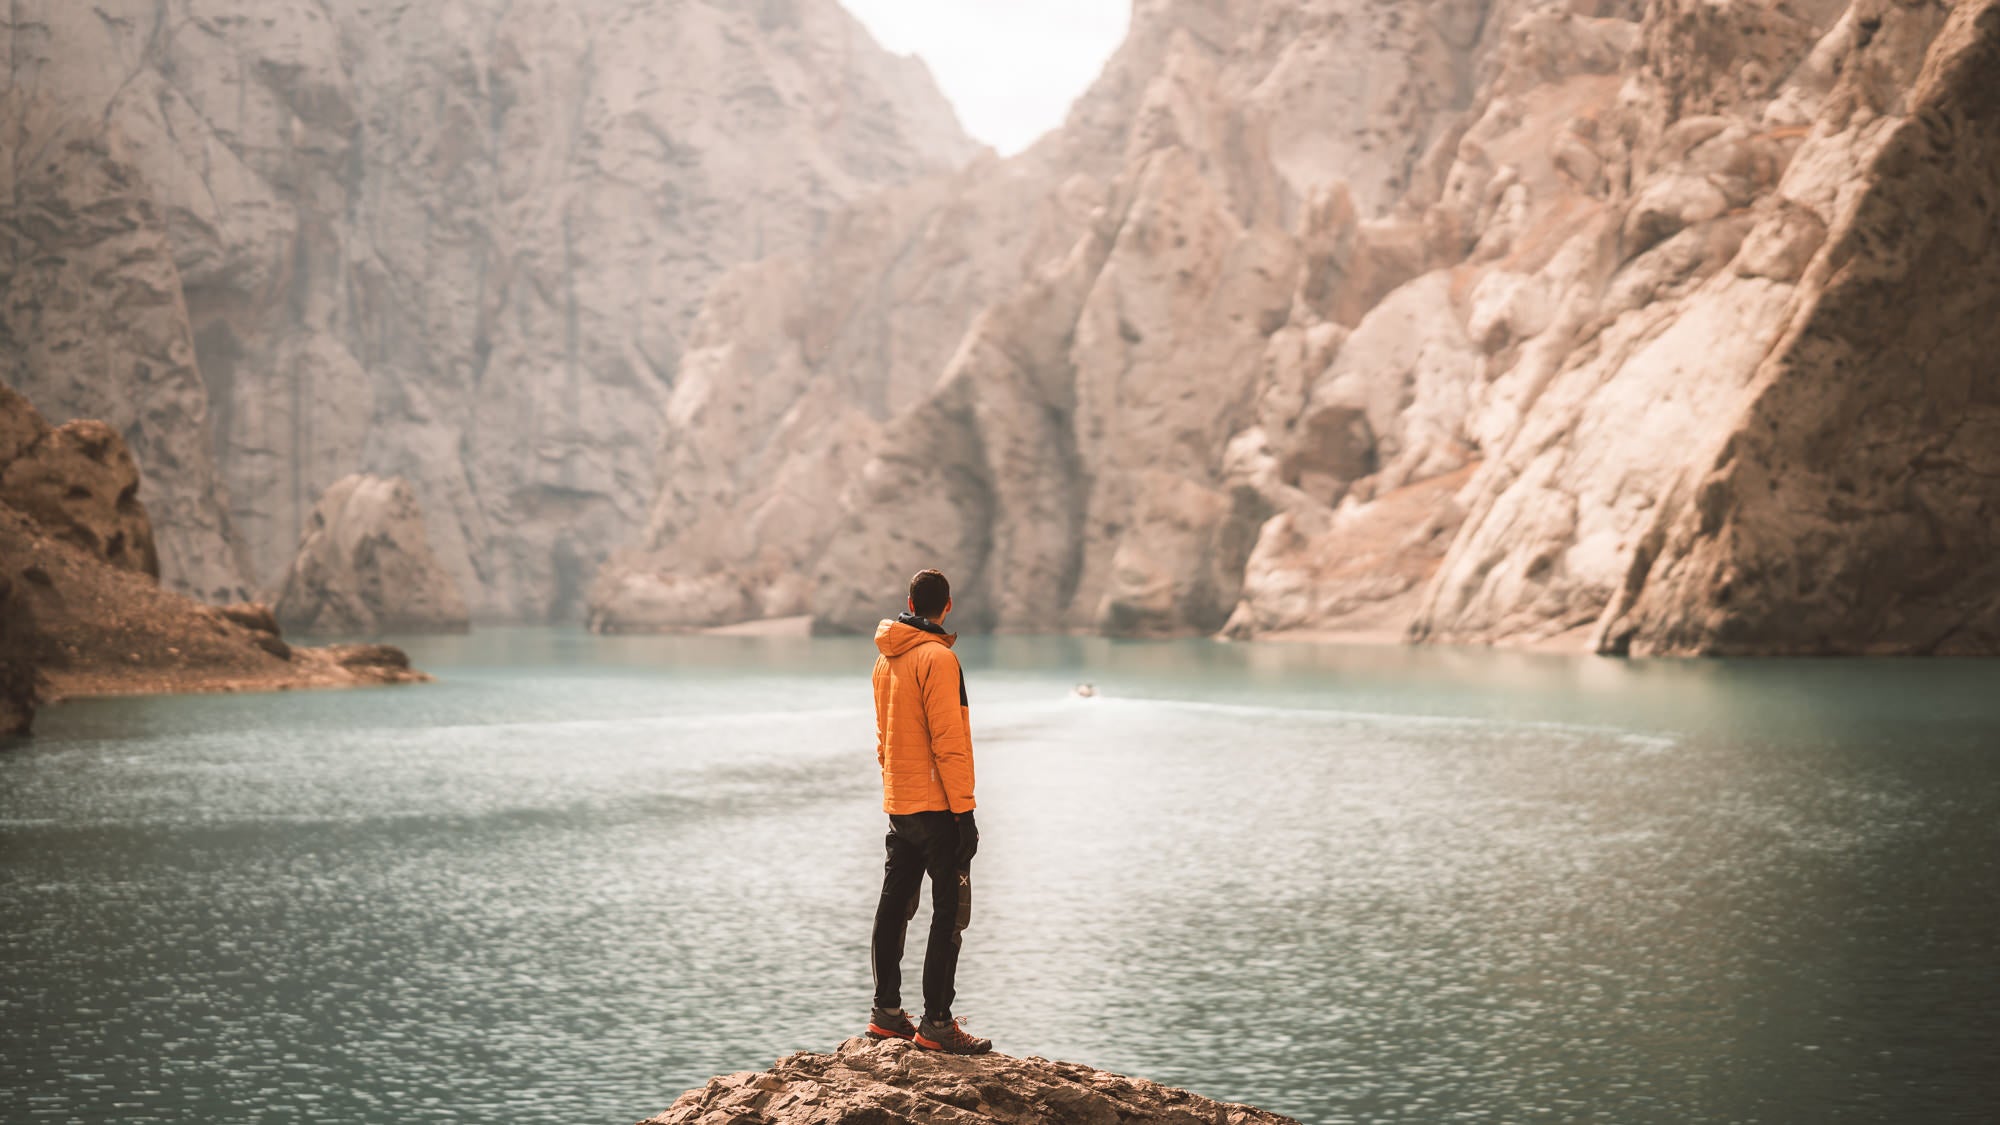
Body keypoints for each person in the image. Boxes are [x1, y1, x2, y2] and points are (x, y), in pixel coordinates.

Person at [864, 568, 993, 1055]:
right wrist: (965, 813)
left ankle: (886, 1014)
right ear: (948, 606)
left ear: (909, 601)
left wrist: (895, 791)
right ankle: (937, 1023)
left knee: (893, 907)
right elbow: (950, 743)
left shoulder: (885, 661)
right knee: (948, 915)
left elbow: (883, 742)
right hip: (939, 809)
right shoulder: (939, 659)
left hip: (900, 803)